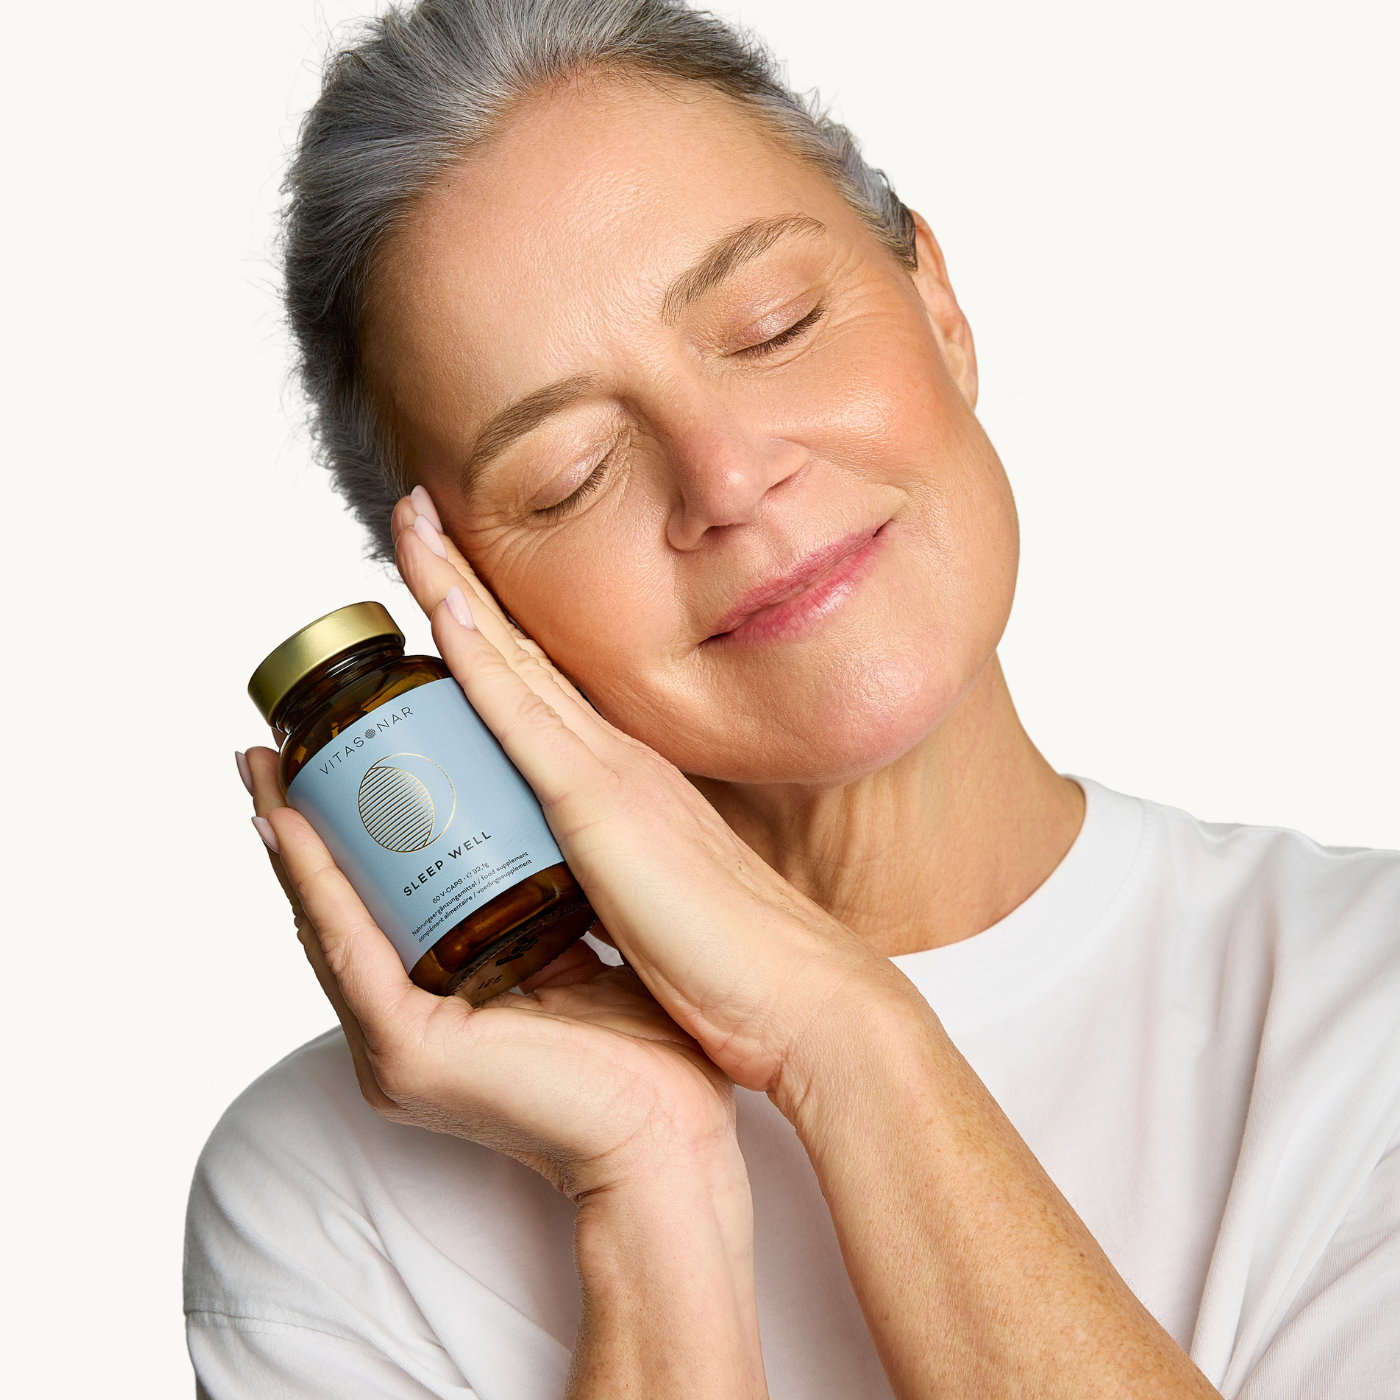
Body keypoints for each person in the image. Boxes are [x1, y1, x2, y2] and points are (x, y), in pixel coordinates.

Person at [185, 1, 1400, 1396]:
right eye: (571, 475)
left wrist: (845, 1038)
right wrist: (650, 1179)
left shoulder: (1365, 1007)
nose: (726, 476)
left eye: (773, 327)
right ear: (465, 606)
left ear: (939, 307)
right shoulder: (332, 1209)